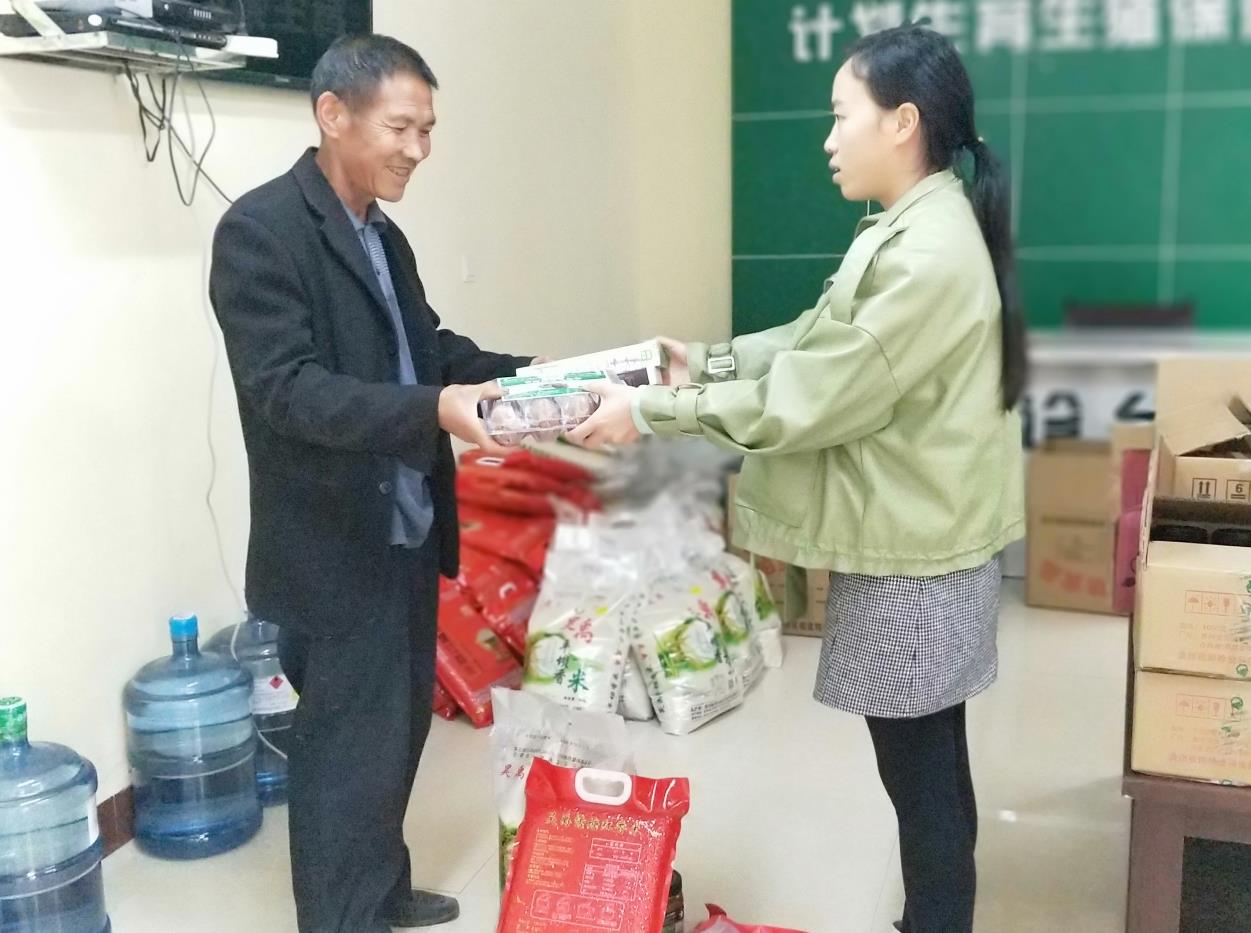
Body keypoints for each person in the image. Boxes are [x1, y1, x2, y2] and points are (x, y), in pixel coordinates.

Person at [569, 24, 1026, 933]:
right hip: (916, 535)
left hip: (916, 554)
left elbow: (814, 393)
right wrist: (701, 361)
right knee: (929, 763)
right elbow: (816, 337)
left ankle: (936, 921)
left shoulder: (925, 254)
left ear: (901, 122)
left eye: (841, 115)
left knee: (921, 775)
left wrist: (652, 412)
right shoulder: (907, 227)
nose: (828, 139)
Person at [210, 34, 532, 933]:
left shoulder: (383, 235)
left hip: (405, 526)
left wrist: (536, 380)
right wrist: (437, 410)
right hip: (331, 541)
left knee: (392, 735)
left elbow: (427, 351)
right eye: (400, 128)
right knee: (340, 750)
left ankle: (380, 890)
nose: (417, 149)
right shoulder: (260, 231)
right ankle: (339, 917)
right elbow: (288, 390)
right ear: (332, 114)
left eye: (427, 131)